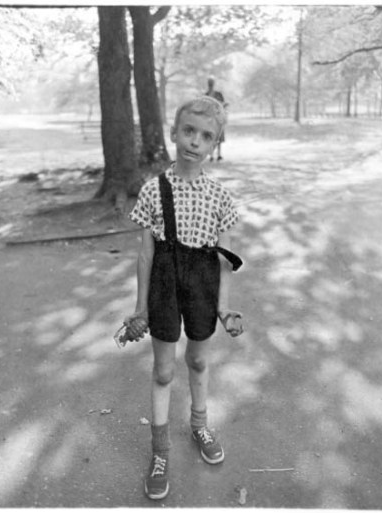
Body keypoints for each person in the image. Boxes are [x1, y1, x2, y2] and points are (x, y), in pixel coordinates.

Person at [124, 96, 244, 501]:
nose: (195, 141)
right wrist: (140, 308)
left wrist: (224, 308)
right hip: (163, 284)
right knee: (163, 371)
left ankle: (199, 424)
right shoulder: (153, 191)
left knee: (197, 359)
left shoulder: (221, 199)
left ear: (216, 144)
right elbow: (145, 254)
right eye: (188, 131)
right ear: (174, 132)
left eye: (206, 136)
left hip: (202, 286)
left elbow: (226, 260)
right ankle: (160, 453)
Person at [204, 77, 228, 161]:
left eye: (211, 83)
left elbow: (223, 104)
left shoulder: (218, 94)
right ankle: (211, 155)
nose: (210, 84)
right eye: (209, 83)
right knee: (211, 137)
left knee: (219, 137)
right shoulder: (206, 95)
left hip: (218, 118)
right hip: (210, 119)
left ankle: (219, 154)